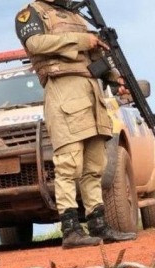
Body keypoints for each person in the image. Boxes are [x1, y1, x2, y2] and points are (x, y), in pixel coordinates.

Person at [15, 0, 136, 249]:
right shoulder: (31, 14)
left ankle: (98, 224)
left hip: (92, 94)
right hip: (63, 91)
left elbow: (95, 55)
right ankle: (71, 229)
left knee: (95, 166)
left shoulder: (76, 16)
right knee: (69, 164)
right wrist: (82, 41)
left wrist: (115, 79)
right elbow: (35, 44)